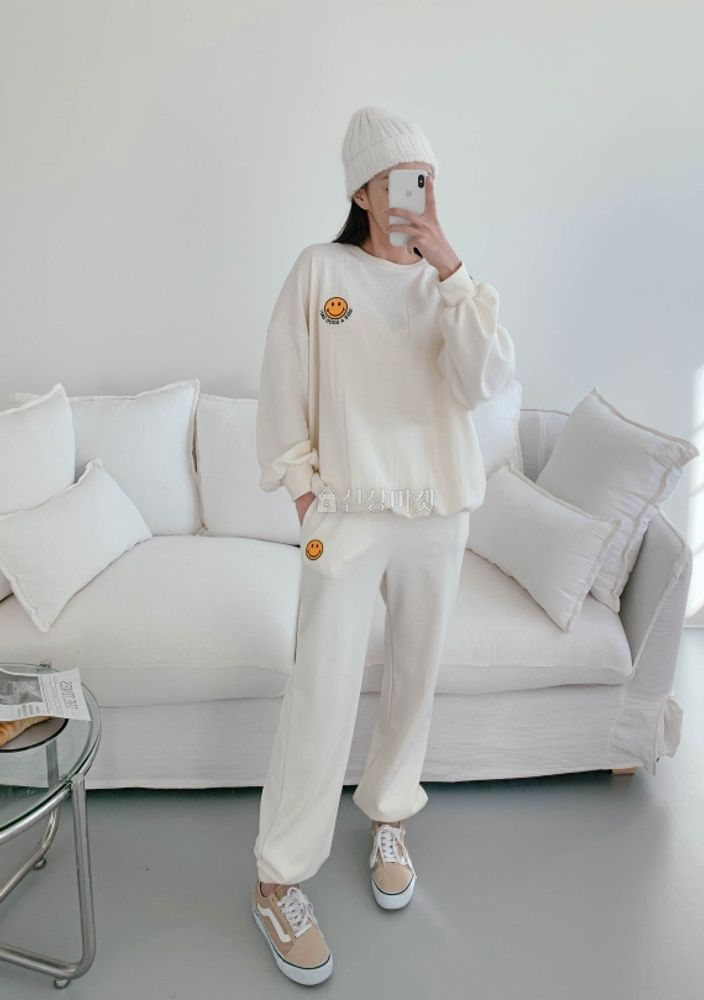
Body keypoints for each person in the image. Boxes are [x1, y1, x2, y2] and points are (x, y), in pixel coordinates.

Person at [251, 105, 516, 985]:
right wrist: (304, 495)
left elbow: (485, 381)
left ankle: (390, 816)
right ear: (362, 192)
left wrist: (451, 267)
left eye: (425, 179)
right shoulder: (320, 272)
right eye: (398, 180)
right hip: (347, 514)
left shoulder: (453, 287)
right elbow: (283, 384)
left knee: (414, 674)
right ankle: (277, 878)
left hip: (438, 512)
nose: (414, 193)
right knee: (319, 688)